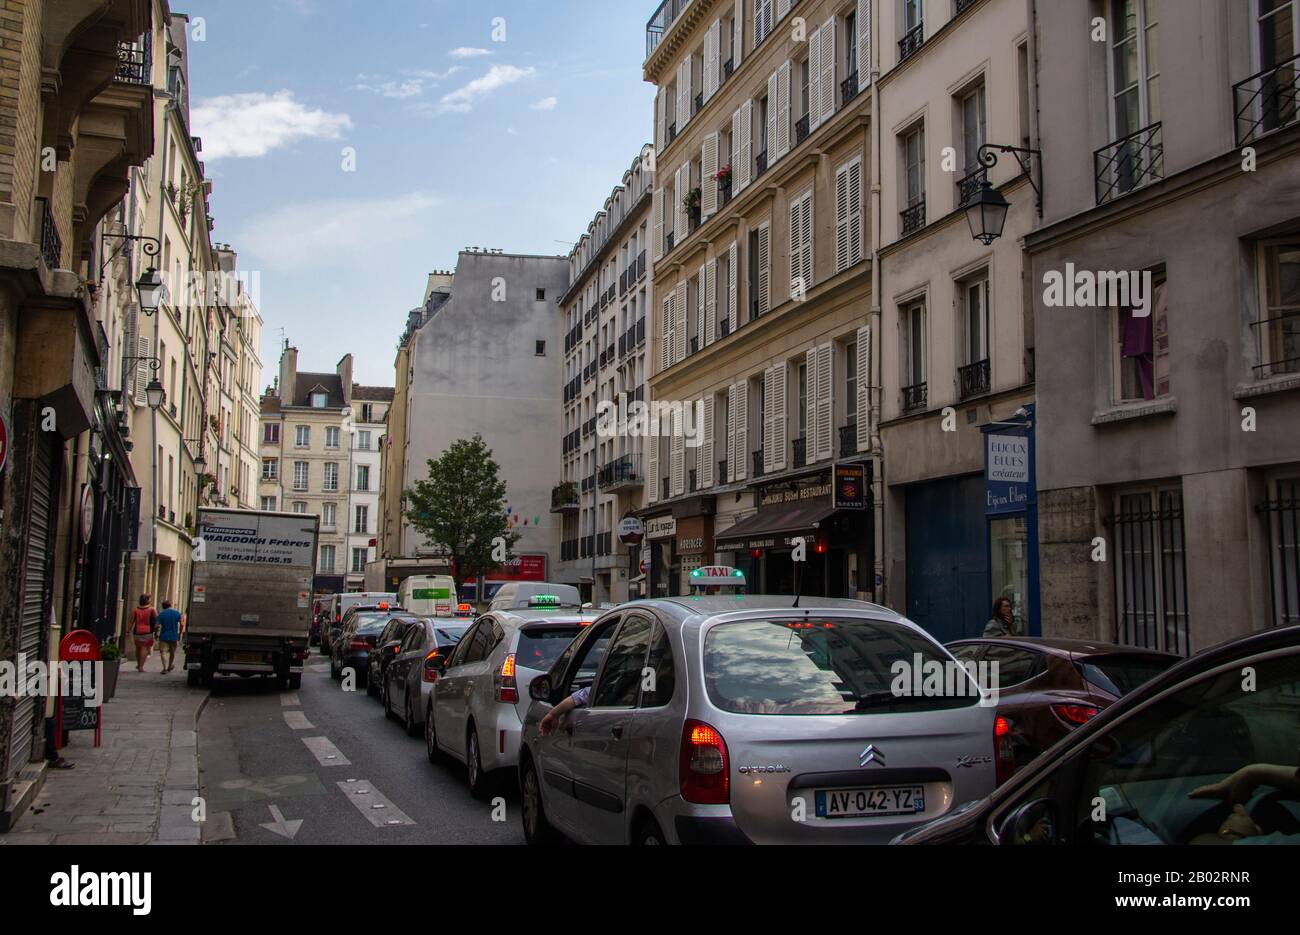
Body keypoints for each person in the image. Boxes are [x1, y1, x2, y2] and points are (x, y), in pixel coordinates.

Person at [130, 594, 158, 672]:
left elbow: (131, 621)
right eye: (149, 599)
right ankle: (141, 667)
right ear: (147, 600)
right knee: (144, 649)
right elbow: (157, 620)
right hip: (147, 631)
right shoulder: (152, 610)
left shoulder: (135, 610)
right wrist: (156, 630)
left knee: (138, 648)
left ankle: (138, 664)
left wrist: (128, 630)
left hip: (137, 631)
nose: (150, 600)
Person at [156, 599, 183, 674]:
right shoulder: (177, 613)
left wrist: (156, 633)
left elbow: (157, 625)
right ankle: (170, 666)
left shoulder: (161, 614)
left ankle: (164, 668)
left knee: (163, 651)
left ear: (163, 607)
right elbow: (182, 624)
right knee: (172, 652)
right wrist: (180, 632)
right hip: (174, 635)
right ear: (170, 605)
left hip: (164, 636)